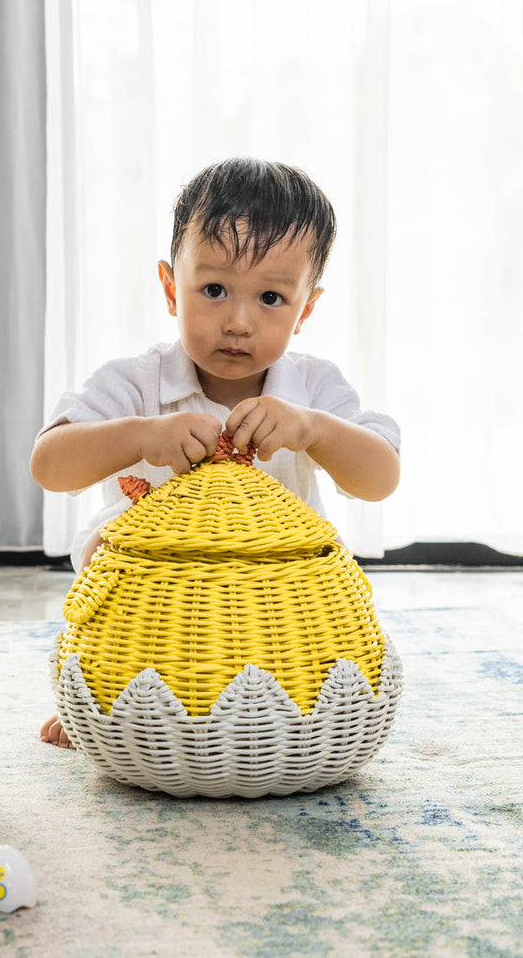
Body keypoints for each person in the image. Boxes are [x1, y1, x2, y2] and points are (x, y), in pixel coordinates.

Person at [30, 157, 401, 748]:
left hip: (274, 620)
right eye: (214, 289)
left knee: (311, 652)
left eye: (272, 298)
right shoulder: (136, 382)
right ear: (171, 287)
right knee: (107, 574)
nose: (238, 321)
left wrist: (315, 430)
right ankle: (104, 700)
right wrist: (139, 435)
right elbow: (49, 465)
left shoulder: (311, 391)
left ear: (306, 308)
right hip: (150, 617)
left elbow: (380, 478)